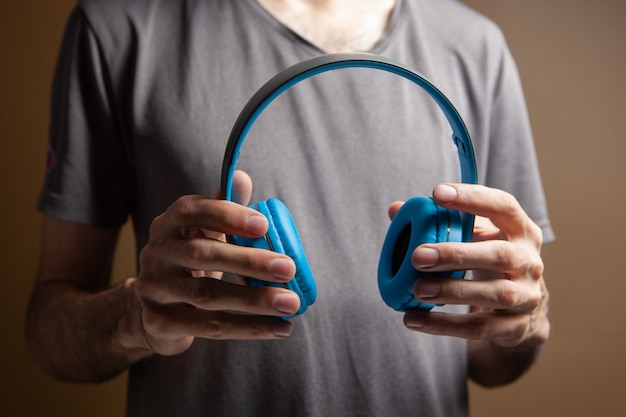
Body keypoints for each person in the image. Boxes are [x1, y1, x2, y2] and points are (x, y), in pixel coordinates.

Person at [27, 0, 554, 416]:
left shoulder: (476, 45)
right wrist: (135, 314)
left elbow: (494, 359)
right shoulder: (118, 25)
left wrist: (520, 325)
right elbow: (50, 332)